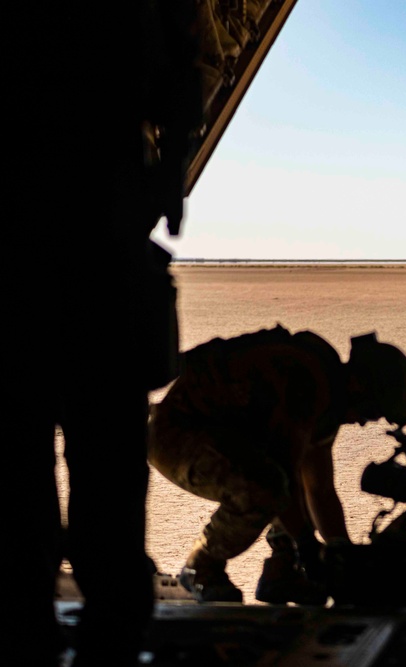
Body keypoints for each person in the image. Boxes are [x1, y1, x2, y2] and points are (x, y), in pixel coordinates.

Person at [13, 2, 203, 664]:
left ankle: (53, 623)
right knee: (105, 459)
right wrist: (164, 181)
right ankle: (112, 628)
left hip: (74, 245)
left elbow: (179, 85)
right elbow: (182, 84)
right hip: (102, 239)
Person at [147, 327, 406, 604]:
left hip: (217, 435)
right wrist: (309, 549)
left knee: (281, 488)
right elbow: (285, 478)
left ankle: (281, 573)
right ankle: (199, 568)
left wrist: (341, 551)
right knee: (266, 488)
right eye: (370, 412)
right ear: (358, 385)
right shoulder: (307, 383)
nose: (362, 422)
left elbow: (319, 490)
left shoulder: (326, 399)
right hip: (175, 435)